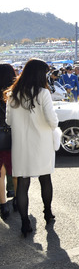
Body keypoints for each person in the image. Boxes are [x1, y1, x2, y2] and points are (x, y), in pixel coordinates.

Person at [5, 59, 59, 237]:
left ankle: (25, 223)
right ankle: (47, 213)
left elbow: (9, 121)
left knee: (22, 182)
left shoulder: (13, 94)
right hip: (41, 143)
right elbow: (52, 121)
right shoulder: (43, 93)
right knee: (45, 179)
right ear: (39, 74)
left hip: (21, 144)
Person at [0, 64, 16, 220]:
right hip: (14, 135)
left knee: (0, 172)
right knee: (17, 169)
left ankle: (3, 206)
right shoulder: (14, 93)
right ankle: (17, 199)